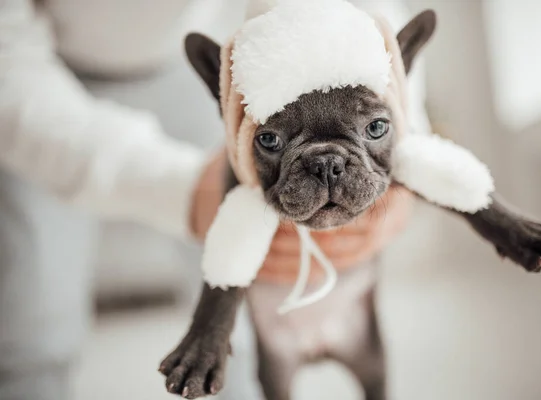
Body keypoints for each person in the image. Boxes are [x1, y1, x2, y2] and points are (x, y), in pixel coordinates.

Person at [0, 0, 429, 399]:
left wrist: (404, 138)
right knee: (33, 331)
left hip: (213, 49)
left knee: (237, 334)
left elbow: (359, 19)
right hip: (33, 71)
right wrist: (182, 192)